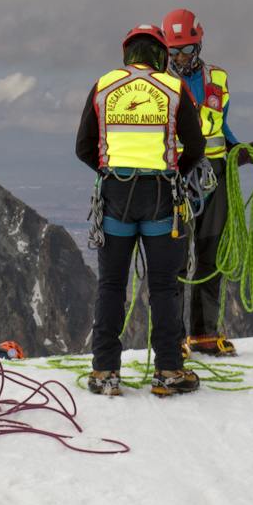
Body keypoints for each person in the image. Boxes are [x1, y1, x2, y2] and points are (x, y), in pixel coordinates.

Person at [75, 25, 207, 397]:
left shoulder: (103, 86)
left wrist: (110, 173)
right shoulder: (172, 88)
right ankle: (168, 371)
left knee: (112, 285)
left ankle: (104, 372)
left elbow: (83, 147)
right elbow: (195, 147)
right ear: (161, 54)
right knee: (164, 286)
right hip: (162, 195)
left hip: (116, 195)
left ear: (127, 54)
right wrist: (173, 172)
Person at [161, 7, 253, 357]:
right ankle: (175, 338)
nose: (181, 58)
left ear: (198, 45)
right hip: (178, 176)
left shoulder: (218, 79)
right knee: (176, 258)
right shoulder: (160, 84)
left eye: (186, 50)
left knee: (211, 252)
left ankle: (204, 333)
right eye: (174, 52)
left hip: (214, 176)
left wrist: (237, 148)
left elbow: (221, 126)